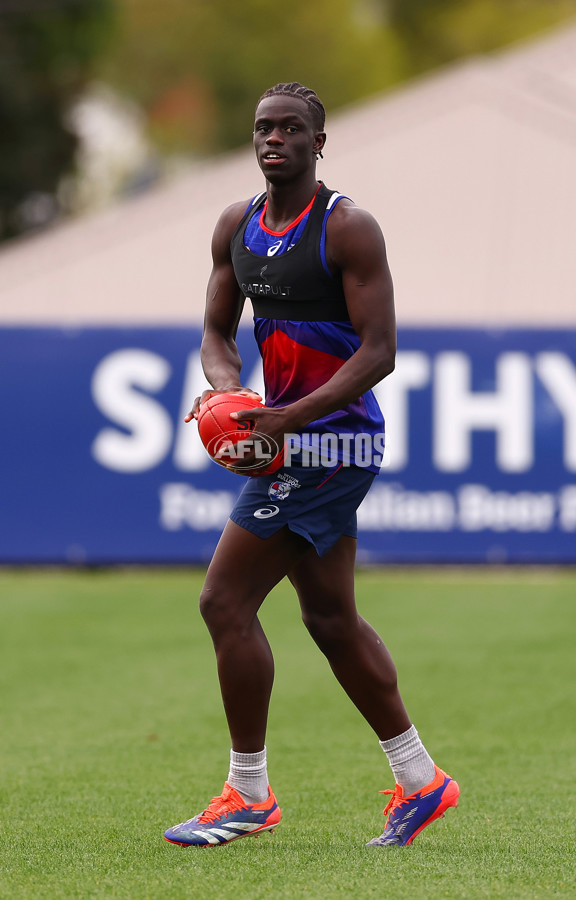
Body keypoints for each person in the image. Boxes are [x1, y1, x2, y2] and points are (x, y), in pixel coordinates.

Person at [164, 82, 459, 848]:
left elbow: (380, 352)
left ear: (319, 143)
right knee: (330, 618)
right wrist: (229, 396)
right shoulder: (237, 225)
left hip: (334, 442)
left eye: (292, 128)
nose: (275, 139)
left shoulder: (347, 228)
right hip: (284, 440)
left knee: (223, 601)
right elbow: (216, 331)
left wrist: (291, 416)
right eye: (264, 127)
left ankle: (249, 794)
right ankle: (422, 780)